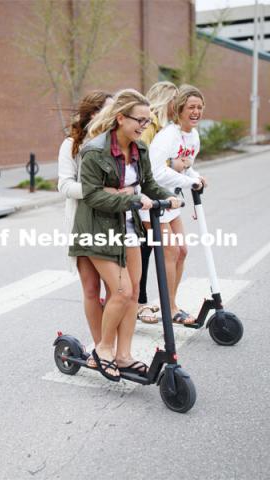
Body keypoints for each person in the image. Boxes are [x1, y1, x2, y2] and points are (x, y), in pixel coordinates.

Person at [69, 89, 180, 381]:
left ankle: (124, 355)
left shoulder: (139, 149)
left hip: (127, 228)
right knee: (122, 291)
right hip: (96, 229)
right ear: (120, 118)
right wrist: (128, 198)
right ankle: (103, 349)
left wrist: (168, 197)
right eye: (140, 120)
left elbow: (149, 185)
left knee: (132, 296)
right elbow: (92, 196)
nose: (145, 126)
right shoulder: (94, 150)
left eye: (148, 121)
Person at [139, 84, 207, 325]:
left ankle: (171, 302)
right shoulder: (167, 136)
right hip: (154, 201)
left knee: (183, 251)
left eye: (199, 107)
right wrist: (190, 181)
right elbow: (156, 172)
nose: (196, 111)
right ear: (179, 109)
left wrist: (195, 176)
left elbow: (186, 165)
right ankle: (170, 308)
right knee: (170, 251)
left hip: (173, 201)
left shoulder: (194, 136)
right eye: (191, 107)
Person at [58, 90, 113, 367]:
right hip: (83, 222)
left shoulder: (115, 143)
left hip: (113, 223)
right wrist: (98, 191)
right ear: (93, 114)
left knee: (116, 289)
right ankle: (101, 347)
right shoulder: (71, 145)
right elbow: (64, 185)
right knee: (91, 289)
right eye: (110, 110)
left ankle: (110, 347)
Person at [138, 81, 179, 324]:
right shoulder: (149, 124)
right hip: (145, 197)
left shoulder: (163, 126)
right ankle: (141, 303)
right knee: (145, 251)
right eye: (176, 100)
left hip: (154, 196)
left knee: (149, 249)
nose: (178, 105)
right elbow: (144, 162)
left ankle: (150, 302)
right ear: (166, 100)